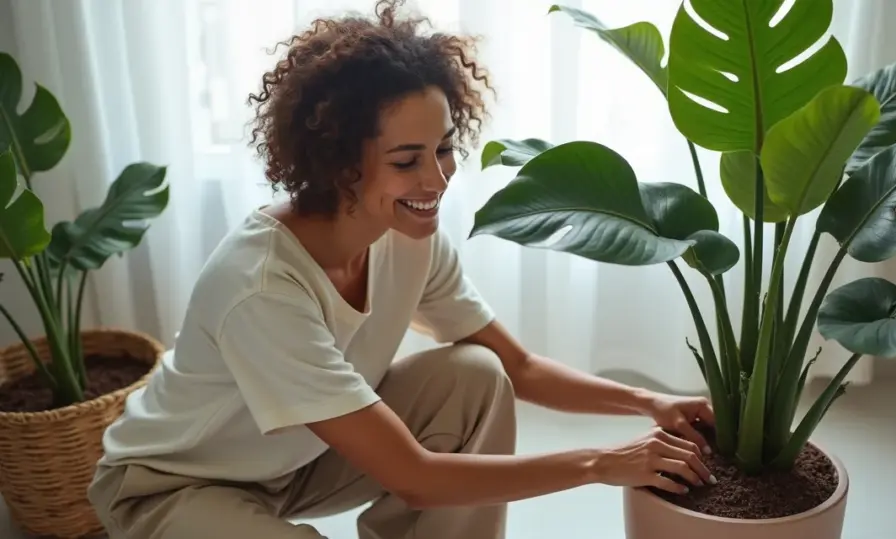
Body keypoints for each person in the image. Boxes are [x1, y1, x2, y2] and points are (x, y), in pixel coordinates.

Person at [87, 1, 716, 538]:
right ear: (340, 163)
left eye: (444, 148)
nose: (437, 179)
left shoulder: (404, 237)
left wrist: (649, 401)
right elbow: (413, 478)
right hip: (174, 486)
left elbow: (518, 367)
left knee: (475, 374)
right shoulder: (261, 286)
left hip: (295, 462)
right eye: (407, 159)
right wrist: (601, 465)